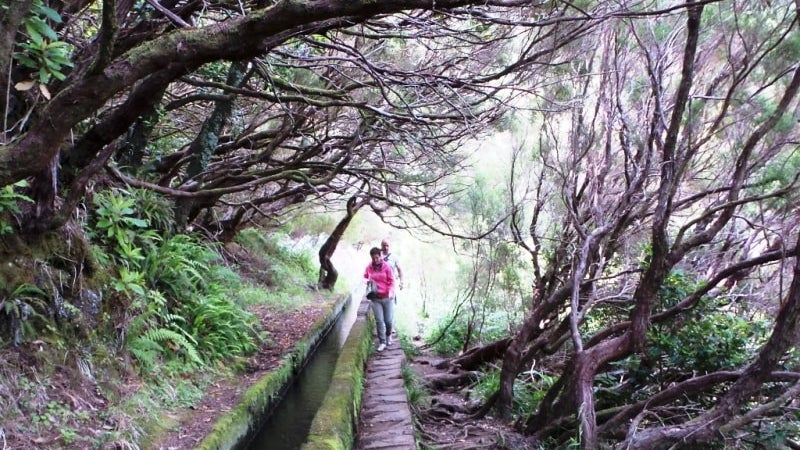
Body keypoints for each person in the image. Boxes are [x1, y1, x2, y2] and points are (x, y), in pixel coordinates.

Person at [364, 246, 395, 351]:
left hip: (387, 297)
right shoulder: (369, 267)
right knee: (379, 321)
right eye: (373, 258)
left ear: (380, 256)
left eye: (377, 257)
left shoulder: (386, 267)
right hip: (375, 298)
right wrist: (367, 280)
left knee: (388, 321)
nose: (375, 260)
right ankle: (382, 342)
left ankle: (388, 336)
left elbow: (391, 281)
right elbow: (364, 277)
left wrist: (391, 292)